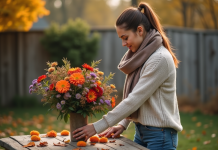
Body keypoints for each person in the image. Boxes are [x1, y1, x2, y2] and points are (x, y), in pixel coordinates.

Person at [73, 2, 183, 150]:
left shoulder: (159, 58)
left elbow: (135, 98)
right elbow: (139, 99)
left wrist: (98, 126)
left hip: (160, 136)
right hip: (142, 132)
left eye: (125, 37)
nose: (123, 43)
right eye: (121, 39)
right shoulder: (141, 56)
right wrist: (123, 124)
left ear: (140, 30)